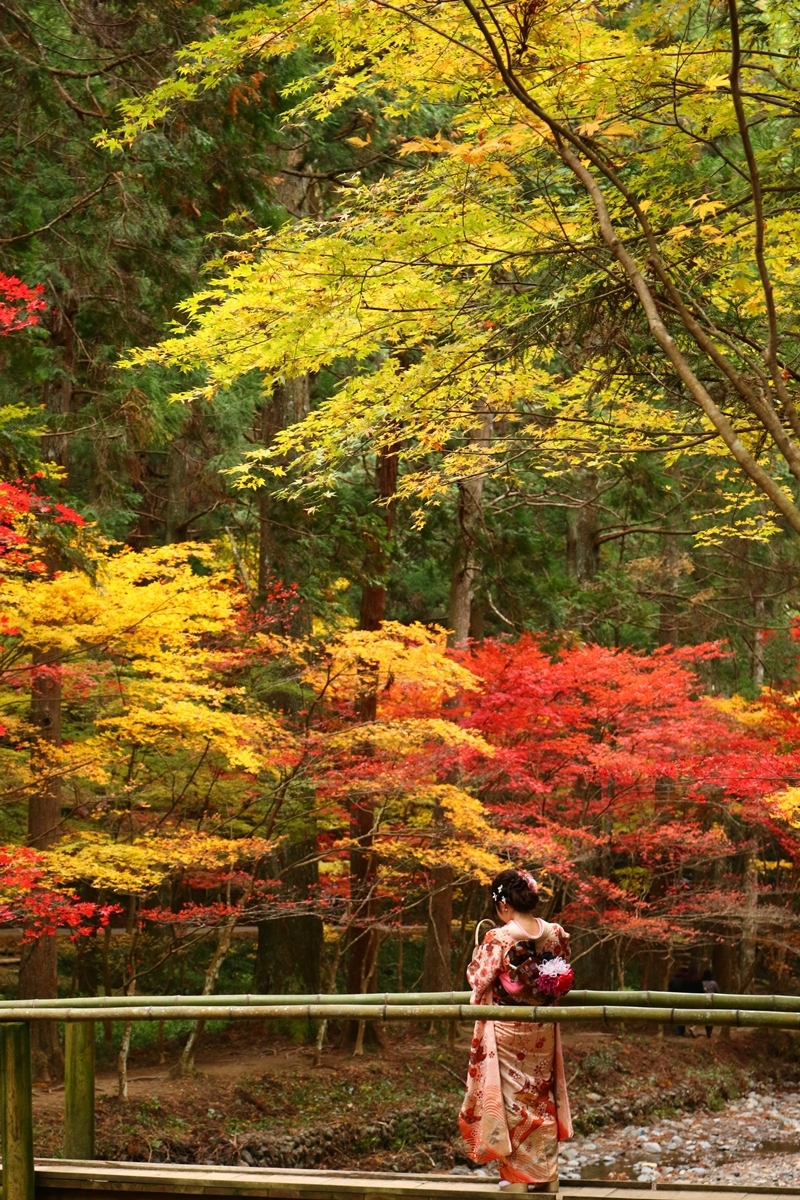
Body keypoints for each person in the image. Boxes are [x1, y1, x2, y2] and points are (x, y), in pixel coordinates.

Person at [459, 868, 573, 1193]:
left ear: (503, 904)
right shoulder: (555, 933)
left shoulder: (500, 937)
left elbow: (479, 978)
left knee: (511, 1106)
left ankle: (516, 1182)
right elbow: (564, 976)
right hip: (542, 1030)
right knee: (540, 1099)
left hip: (508, 1031)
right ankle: (548, 1177)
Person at [702, 969, 719, 1039]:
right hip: (711, 1001)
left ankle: (707, 1031)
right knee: (711, 1017)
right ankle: (709, 1032)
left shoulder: (701, 983)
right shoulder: (714, 983)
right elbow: (717, 991)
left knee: (706, 1017)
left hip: (703, 1001)